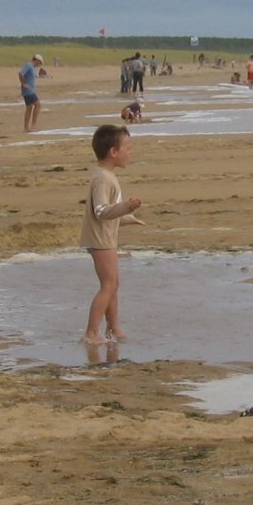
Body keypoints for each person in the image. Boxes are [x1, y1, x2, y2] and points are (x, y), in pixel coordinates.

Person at [80, 124, 145, 344]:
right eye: (127, 147)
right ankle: (91, 332)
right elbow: (101, 211)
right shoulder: (103, 179)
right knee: (108, 285)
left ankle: (113, 328)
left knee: (113, 284)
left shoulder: (107, 176)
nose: (130, 152)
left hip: (105, 237)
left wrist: (128, 218)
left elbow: (109, 213)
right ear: (113, 152)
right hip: (100, 240)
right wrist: (126, 207)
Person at [19, 53, 43, 132]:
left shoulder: (32, 67)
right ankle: (33, 124)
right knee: (38, 105)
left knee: (29, 108)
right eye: (39, 63)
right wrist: (23, 83)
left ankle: (26, 128)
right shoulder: (29, 65)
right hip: (28, 91)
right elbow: (20, 73)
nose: (39, 65)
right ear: (36, 60)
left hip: (30, 90)